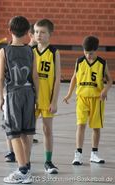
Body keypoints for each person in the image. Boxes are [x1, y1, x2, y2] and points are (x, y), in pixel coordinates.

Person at [0, 16, 39, 183]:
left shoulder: (4, 51)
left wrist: (0, 97)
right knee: (27, 132)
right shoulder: (31, 51)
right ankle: (26, 165)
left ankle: (22, 171)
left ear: (9, 31)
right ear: (27, 32)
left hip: (13, 94)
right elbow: (35, 76)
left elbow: (1, 77)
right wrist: (37, 96)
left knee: (13, 133)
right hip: (29, 93)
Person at [63, 36, 113, 165]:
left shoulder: (102, 63)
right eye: (86, 53)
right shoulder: (79, 61)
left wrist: (105, 90)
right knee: (81, 125)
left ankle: (94, 153)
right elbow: (74, 78)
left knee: (96, 127)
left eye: (91, 53)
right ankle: (78, 154)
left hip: (97, 99)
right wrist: (68, 94)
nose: (88, 56)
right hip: (82, 98)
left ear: (96, 50)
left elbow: (110, 80)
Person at [33, 19, 61, 174]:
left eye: (43, 32)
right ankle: (25, 161)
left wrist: (54, 101)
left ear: (50, 34)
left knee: (47, 130)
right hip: (33, 99)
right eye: (36, 31)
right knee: (29, 131)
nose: (39, 35)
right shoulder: (30, 50)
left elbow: (57, 78)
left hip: (47, 98)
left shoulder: (54, 52)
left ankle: (48, 161)